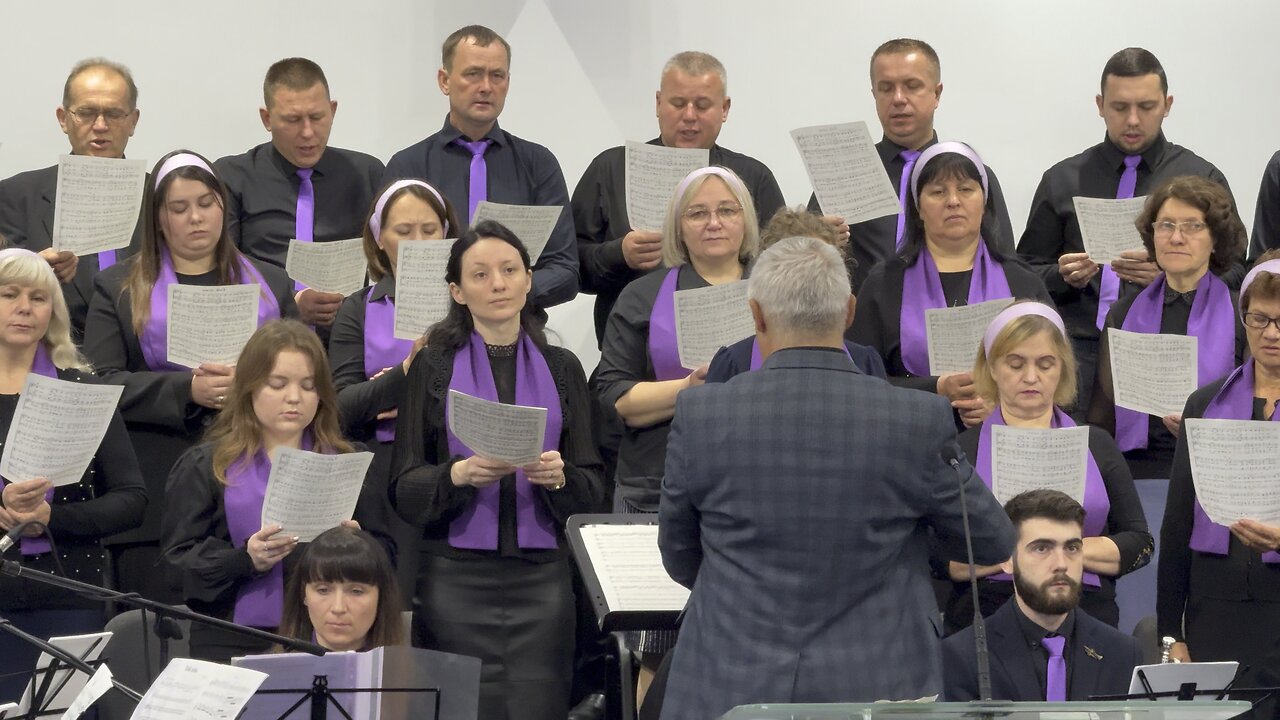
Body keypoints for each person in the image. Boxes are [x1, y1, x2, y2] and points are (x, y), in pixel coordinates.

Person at [656, 236, 1015, 718]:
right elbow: (990, 540)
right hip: (877, 678)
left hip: (730, 673)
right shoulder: (916, 418)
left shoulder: (702, 413)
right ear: (849, 312)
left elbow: (678, 554)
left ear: (756, 315)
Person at [389, 220, 605, 720]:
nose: (498, 284)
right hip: (454, 580)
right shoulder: (433, 366)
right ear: (457, 291)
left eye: (509, 270)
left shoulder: (564, 367)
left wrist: (560, 477)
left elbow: (594, 488)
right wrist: (457, 476)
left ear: (529, 280)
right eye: (480, 274)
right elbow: (403, 488)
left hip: (543, 583)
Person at [83, 150, 296, 602]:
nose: (196, 218)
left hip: (260, 480)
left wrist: (255, 382)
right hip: (157, 488)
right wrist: (186, 389)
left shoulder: (273, 284)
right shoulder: (119, 287)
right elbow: (98, 384)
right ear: (158, 219)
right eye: (179, 208)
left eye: (206, 203)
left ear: (223, 206)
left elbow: (305, 374)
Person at [1018, 47, 1239, 420]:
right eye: (1120, 107)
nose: (1133, 120)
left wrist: (1177, 278)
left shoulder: (1201, 179)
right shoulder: (1063, 179)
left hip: (1174, 345)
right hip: (1077, 348)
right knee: (1081, 449)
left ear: (1167, 105)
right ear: (1100, 105)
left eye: (1146, 107)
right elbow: (1023, 272)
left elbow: (1237, 271)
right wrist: (1061, 275)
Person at [162, 319, 374, 663]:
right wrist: (245, 560)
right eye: (278, 384)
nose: (294, 397)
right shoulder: (206, 464)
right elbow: (176, 567)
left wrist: (357, 545)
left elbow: (387, 553)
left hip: (327, 637)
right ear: (249, 388)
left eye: (308, 386)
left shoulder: (345, 462)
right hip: (230, 639)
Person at [947, 301, 1151, 630]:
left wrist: (1052, 550)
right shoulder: (960, 451)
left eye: (1045, 364)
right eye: (1015, 364)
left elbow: (1140, 542)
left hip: (1086, 611)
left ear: (1062, 370)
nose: (1031, 377)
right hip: (988, 613)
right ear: (992, 368)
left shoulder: (1097, 444)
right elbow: (945, 557)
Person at [0, 248, 146, 701]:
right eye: (9, 294)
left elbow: (132, 500)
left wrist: (52, 518)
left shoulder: (82, 390)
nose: (24, 307)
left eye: (38, 297)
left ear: (54, 311)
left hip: (68, 601)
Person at [573, 50, 785, 344]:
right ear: (658, 103)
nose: (689, 116)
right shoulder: (611, 168)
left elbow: (780, 266)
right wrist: (618, 254)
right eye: (678, 103)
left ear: (724, 108)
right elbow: (569, 265)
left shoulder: (752, 177)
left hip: (738, 344)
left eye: (702, 105)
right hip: (634, 346)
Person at [850, 142, 1050, 428]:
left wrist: (1004, 405)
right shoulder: (884, 284)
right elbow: (859, 379)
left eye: (966, 189)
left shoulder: (1022, 282)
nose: (953, 201)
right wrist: (936, 388)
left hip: (1005, 440)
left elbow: (1057, 376)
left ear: (984, 202)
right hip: (909, 434)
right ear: (918, 208)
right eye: (938, 192)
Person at [383, 25, 578, 310]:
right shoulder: (409, 166)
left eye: (497, 75)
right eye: (473, 74)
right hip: (431, 326)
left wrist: (503, 292)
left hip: (519, 326)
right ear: (444, 81)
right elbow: (389, 265)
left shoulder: (538, 164)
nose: (486, 87)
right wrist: (465, 295)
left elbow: (565, 270)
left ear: (507, 82)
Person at [330, 178, 461, 599]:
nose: (418, 243)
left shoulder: (471, 301)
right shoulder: (358, 308)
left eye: (430, 230)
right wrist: (404, 373)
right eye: (404, 232)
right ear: (379, 239)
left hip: (458, 466)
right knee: (396, 600)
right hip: (383, 473)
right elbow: (341, 406)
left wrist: (410, 400)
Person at [805, 38, 1017, 292]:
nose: (898, 99)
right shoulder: (843, 173)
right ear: (874, 95)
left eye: (912, 86)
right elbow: (801, 267)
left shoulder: (970, 176)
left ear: (936, 94)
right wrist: (815, 244)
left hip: (956, 308)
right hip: (864, 311)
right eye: (886, 88)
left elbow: (1005, 263)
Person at [1158, 252, 1280, 673]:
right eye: (1259, 319)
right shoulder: (1205, 404)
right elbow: (1177, 522)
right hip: (1215, 610)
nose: (1271, 332)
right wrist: (1170, 633)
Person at [1088, 176, 1245, 480]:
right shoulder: (1122, 313)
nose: (1176, 238)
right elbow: (1101, 418)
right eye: (1166, 225)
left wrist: (1201, 425)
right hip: (1136, 467)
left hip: (1219, 469)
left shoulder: (1242, 313)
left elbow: (1260, 411)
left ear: (1216, 239)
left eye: (1193, 226)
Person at [216, 58, 384, 332]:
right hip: (265, 335)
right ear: (267, 119)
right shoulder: (234, 176)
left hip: (348, 333)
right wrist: (289, 302)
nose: (307, 132)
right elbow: (223, 268)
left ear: (332, 110)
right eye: (292, 120)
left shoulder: (366, 174)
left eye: (317, 117)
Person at [943, 490, 1143, 702]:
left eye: (1072, 548)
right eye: (1041, 548)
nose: (1061, 564)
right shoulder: (963, 656)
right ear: (1007, 559)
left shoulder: (1122, 653)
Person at [0, 58, 144, 339]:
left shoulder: (161, 198)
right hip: (50, 352)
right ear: (63, 119)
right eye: (86, 113)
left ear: (133, 121)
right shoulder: (16, 196)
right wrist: (32, 271)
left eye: (114, 113)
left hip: (141, 357)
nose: (100, 125)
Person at [705, 206, 885, 381]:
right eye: (792, 267)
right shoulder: (734, 363)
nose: (805, 281)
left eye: (821, 265)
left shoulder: (864, 362)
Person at [278, 525, 406, 652]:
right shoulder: (273, 665)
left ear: (381, 597)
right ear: (303, 594)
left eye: (356, 591)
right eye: (323, 590)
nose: (338, 608)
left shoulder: (404, 665)